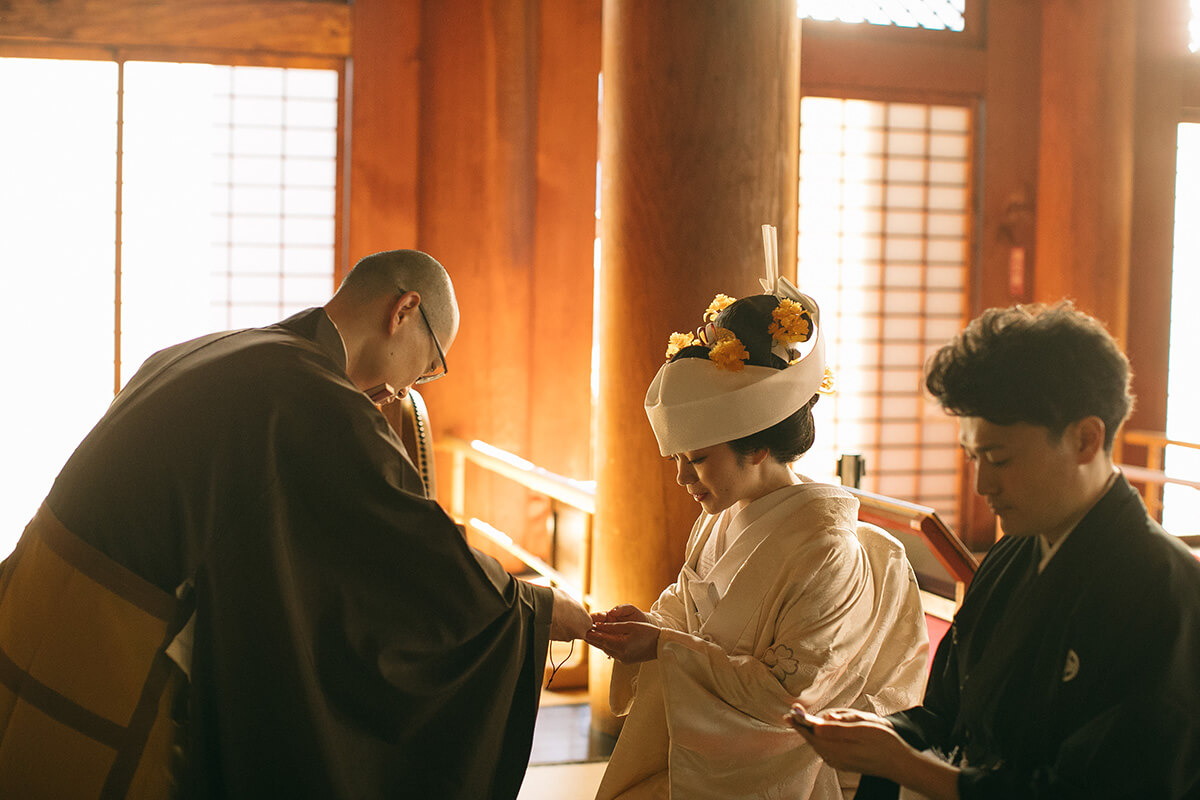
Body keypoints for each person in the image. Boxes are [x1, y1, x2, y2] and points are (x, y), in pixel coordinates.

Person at [0, 249, 592, 799]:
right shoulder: (313, 396)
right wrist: (532, 609)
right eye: (430, 366)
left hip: (29, 600)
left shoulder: (223, 349)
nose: (408, 389)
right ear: (405, 310)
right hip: (103, 652)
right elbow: (417, 554)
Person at [789, 302, 1200, 799]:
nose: (982, 483)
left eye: (1000, 458)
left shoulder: (1162, 588)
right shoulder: (1012, 555)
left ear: (1086, 440)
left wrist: (907, 766)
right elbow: (949, 716)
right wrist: (885, 735)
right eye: (973, 456)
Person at [585, 229, 930, 799]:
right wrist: (651, 628)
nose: (682, 479)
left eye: (697, 460)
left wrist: (664, 648)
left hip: (786, 767)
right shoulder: (722, 516)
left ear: (760, 443)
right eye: (676, 459)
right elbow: (686, 607)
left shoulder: (826, 551)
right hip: (713, 752)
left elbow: (788, 698)